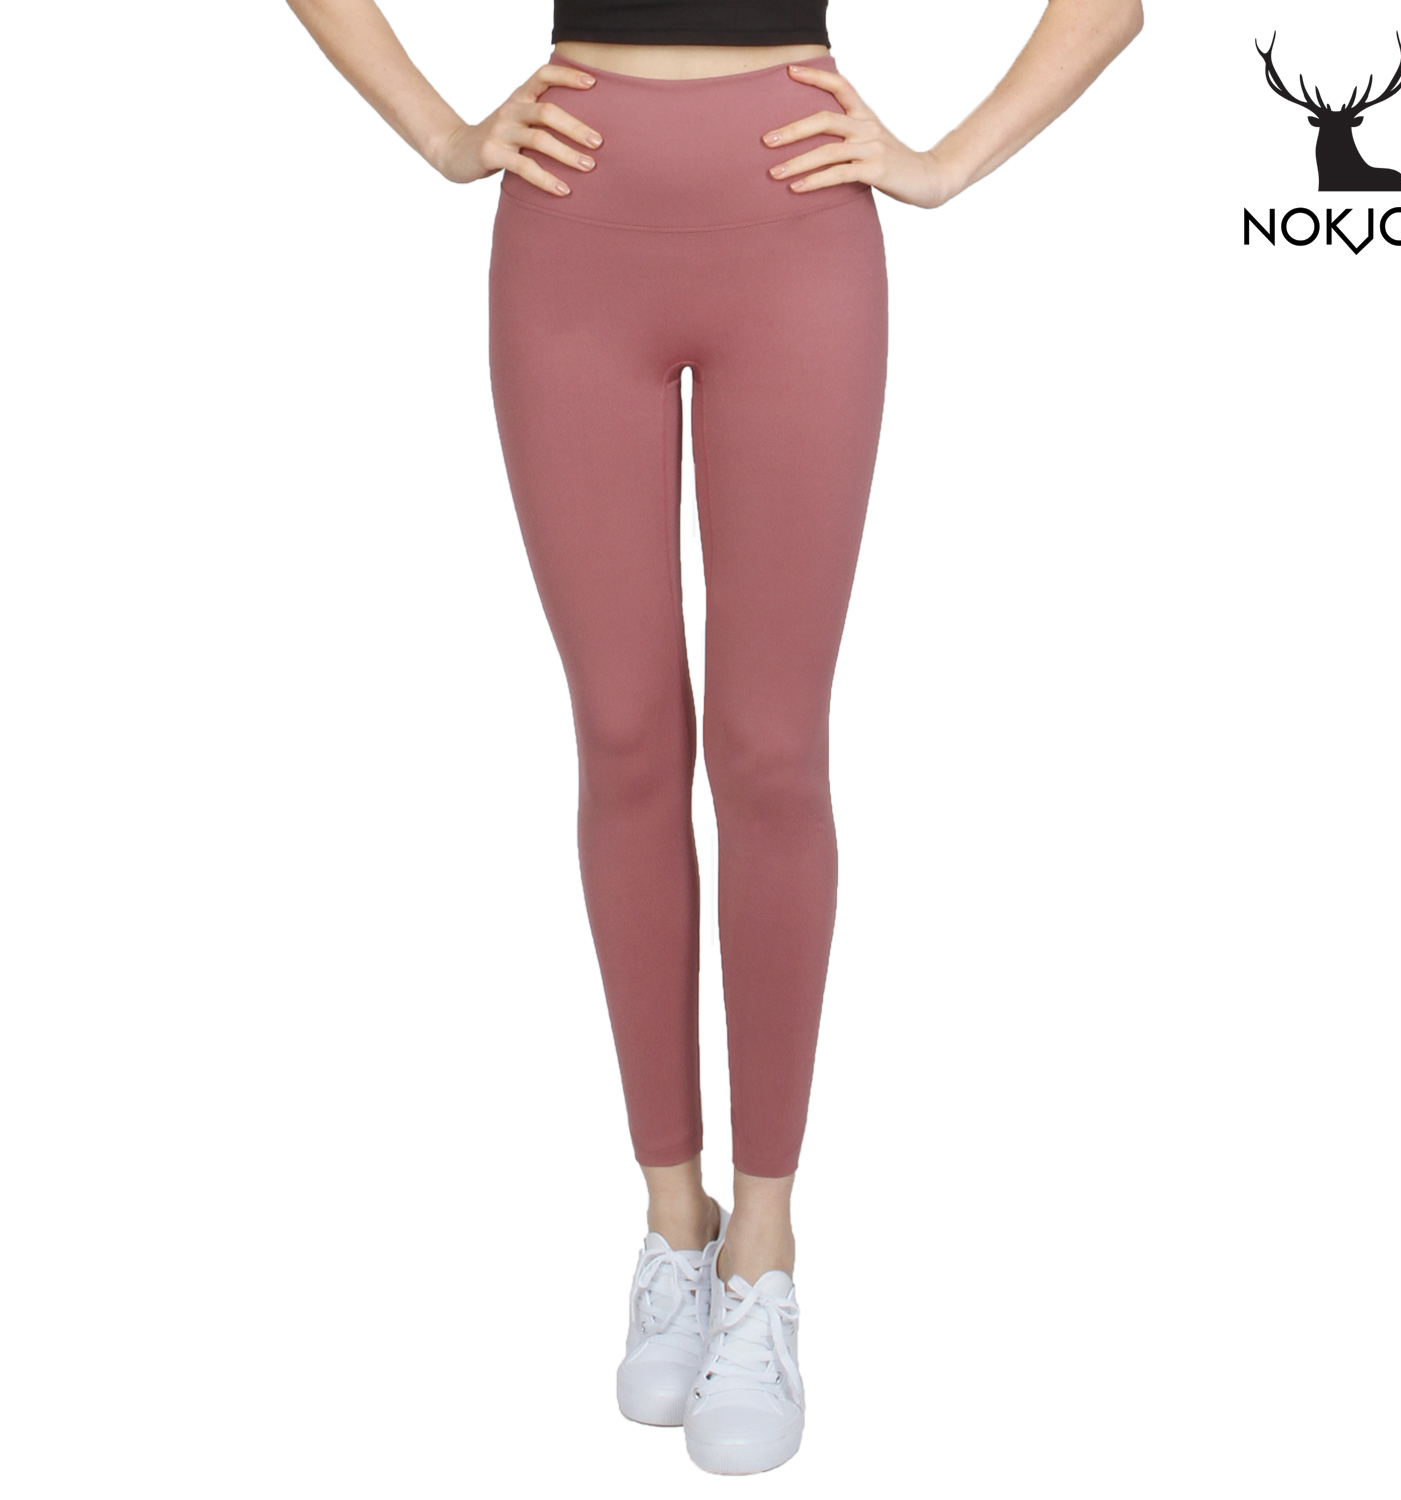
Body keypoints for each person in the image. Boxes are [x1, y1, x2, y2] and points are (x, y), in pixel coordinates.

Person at [285, 0, 1144, 1474]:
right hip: (572, 226)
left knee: (770, 753)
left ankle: (763, 1245)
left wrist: (942, 164)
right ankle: (669, 1220)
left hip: (791, 222)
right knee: (625, 737)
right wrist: (441, 134)